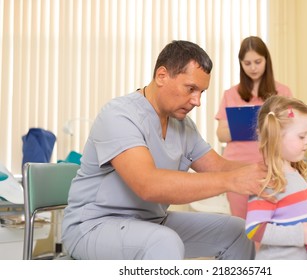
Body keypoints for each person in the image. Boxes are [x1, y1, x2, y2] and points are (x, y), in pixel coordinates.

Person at [61, 40, 268, 260]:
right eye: (191, 89)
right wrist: (232, 181)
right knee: (163, 241)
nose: (197, 101)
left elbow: (217, 166)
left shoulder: (183, 125)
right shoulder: (119, 115)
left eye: (201, 92)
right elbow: (148, 184)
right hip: (94, 226)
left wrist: (271, 172)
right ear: (162, 76)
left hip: (151, 222)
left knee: (237, 232)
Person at [245, 95, 307, 260]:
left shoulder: (295, 174)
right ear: (275, 137)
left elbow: (293, 218)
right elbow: (254, 228)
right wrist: (300, 235)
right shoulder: (268, 180)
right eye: (302, 136)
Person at [215, 36, 292, 219]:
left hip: (272, 166)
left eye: (258, 62)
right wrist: (252, 124)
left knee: (272, 223)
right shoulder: (231, 94)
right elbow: (221, 135)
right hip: (237, 167)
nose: (253, 68)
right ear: (241, 64)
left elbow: (290, 128)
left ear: (266, 60)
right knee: (242, 223)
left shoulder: (283, 93)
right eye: (247, 63)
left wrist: (270, 126)